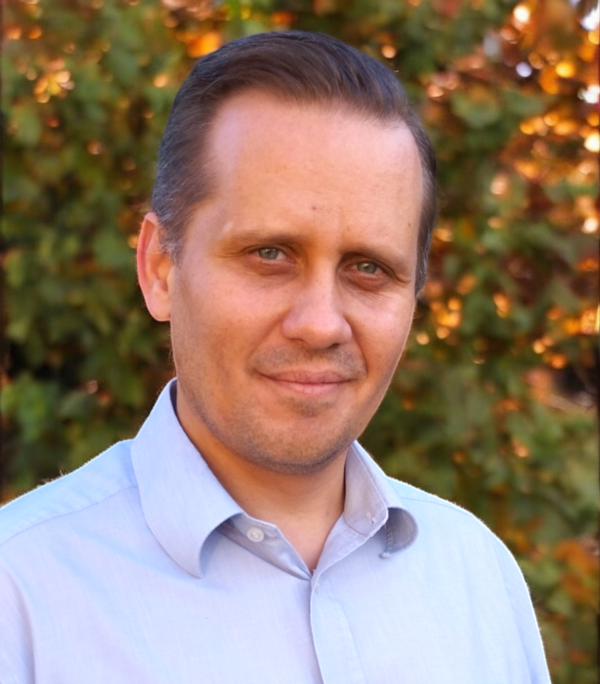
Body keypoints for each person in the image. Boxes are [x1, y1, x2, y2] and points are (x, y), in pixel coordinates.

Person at [0, 31, 551, 684]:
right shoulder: (21, 593)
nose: (320, 324)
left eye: (368, 268)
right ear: (160, 269)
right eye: (269, 254)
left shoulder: (477, 577)